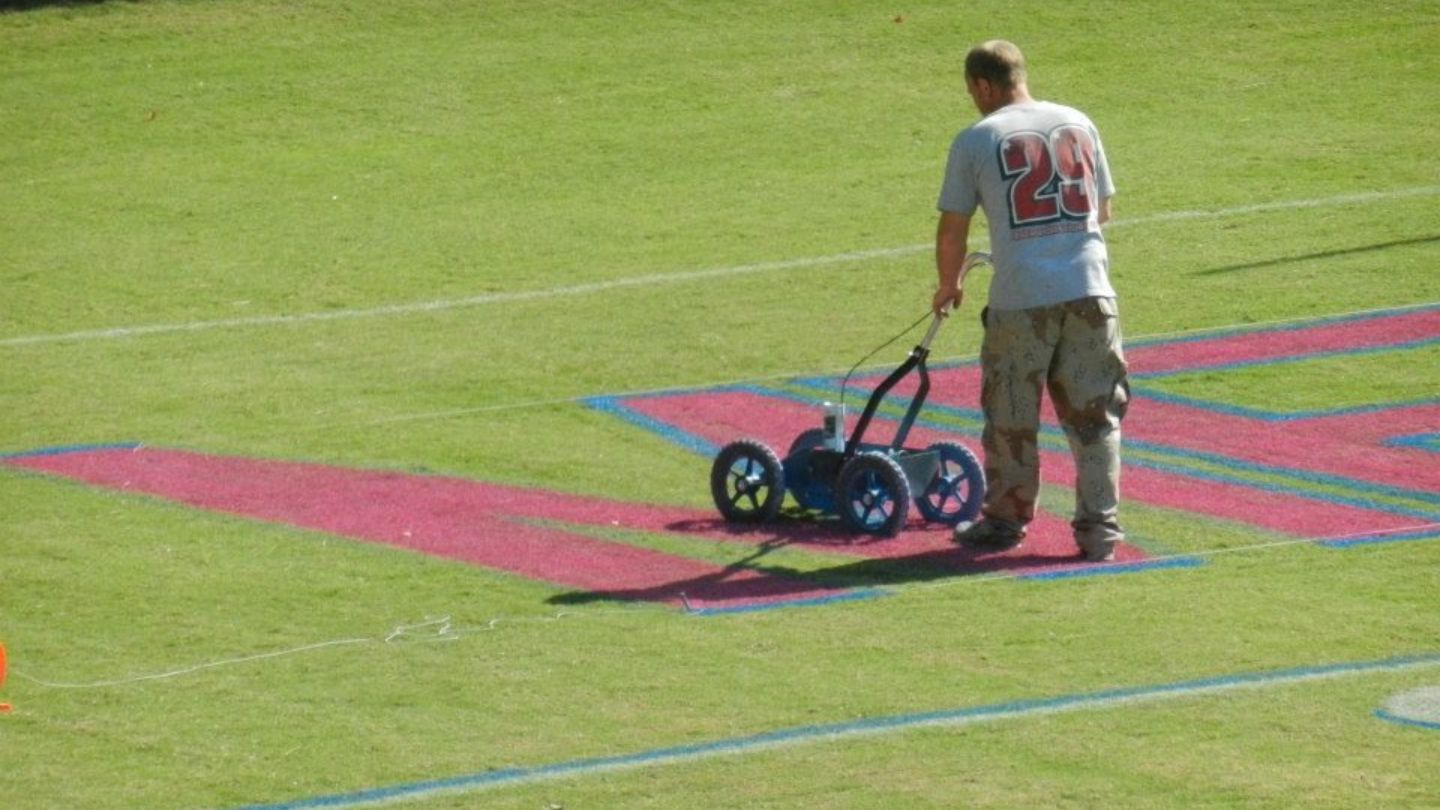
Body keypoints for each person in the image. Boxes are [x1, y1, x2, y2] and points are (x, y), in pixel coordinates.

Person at [930, 40, 1129, 562]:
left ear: (982, 86)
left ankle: (1005, 521)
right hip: (1091, 291)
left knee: (1011, 415)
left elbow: (953, 227)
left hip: (1022, 300)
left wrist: (949, 283)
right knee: (1097, 420)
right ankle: (1099, 532)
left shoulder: (976, 139)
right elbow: (1101, 210)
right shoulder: (1078, 122)